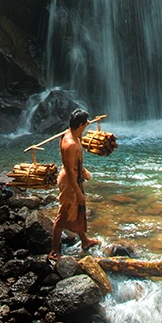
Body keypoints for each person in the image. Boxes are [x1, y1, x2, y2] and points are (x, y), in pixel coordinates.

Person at [49, 108, 99, 263]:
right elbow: (69, 170)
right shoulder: (70, 143)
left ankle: (84, 241)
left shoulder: (72, 134)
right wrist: (78, 192)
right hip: (70, 181)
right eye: (86, 123)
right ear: (80, 124)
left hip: (75, 177)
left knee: (78, 210)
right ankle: (54, 251)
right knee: (63, 215)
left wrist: (82, 170)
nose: (88, 125)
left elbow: (73, 165)